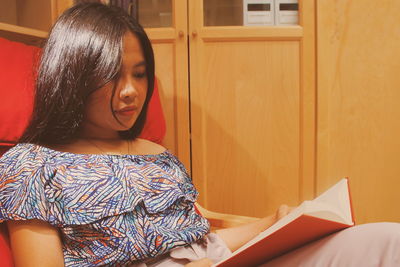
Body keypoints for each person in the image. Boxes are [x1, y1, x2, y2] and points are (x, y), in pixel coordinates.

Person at [0, 3, 399, 267]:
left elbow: (200, 234)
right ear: (72, 78)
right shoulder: (31, 165)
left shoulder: (155, 152)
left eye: (140, 74)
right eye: (111, 75)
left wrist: (276, 221)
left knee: (387, 241)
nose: (131, 91)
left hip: (217, 260)